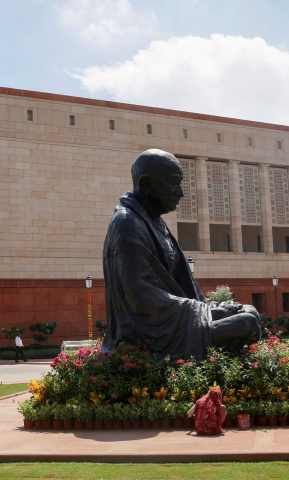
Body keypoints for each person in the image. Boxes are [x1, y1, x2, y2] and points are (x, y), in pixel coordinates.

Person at [101, 149, 261, 359]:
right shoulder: (126, 223)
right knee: (246, 323)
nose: (180, 192)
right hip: (153, 330)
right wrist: (213, 313)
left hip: (176, 317)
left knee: (250, 311)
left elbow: (187, 290)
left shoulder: (155, 221)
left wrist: (212, 307)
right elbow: (141, 297)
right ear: (146, 184)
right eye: (173, 183)